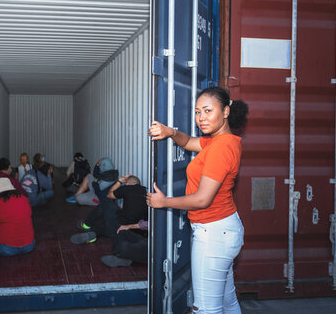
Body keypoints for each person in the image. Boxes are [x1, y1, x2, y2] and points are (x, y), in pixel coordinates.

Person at [147, 86, 248, 314]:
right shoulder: (222, 140)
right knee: (227, 302)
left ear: (225, 111)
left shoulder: (221, 148)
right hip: (224, 229)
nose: (201, 117)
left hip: (213, 235)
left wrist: (165, 202)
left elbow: (202, 199)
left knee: (205, 309)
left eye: (208, 111)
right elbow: (191, 142)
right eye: (197, 112)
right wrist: (171, 132)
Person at [70, 174, 147, 247]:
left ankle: (87, 225)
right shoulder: (147, 193)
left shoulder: (128, 188)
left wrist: (119, 181)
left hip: (120, 226)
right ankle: (94, 233)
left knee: (106, 201)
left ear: (128, 183)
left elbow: (109, 195)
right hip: (131, 231)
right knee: (108, 223)